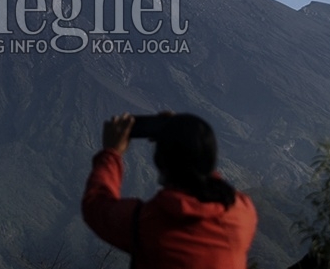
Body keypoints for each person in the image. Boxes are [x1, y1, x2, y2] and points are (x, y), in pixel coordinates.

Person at [82, 112, 257, 269]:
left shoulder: (146, 223)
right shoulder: (242, 213)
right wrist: (188, 137)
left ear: (160, 163)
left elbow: (96, 204)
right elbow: (206, 176)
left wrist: (112, 152)